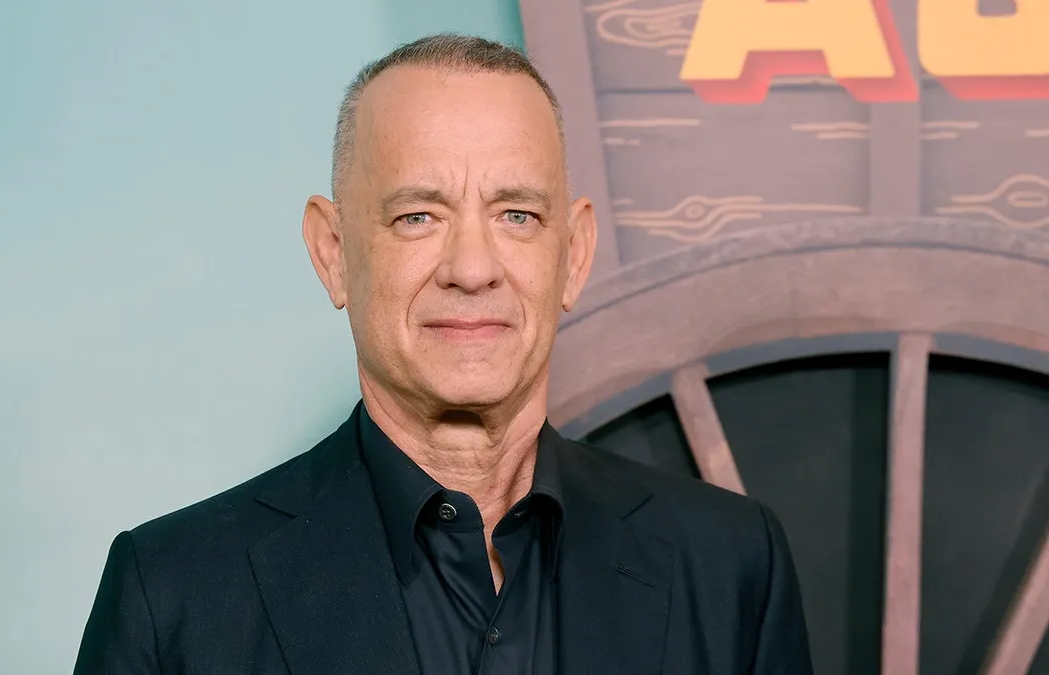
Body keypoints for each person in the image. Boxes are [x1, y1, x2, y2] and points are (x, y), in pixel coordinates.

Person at [73, 33, 813, 675]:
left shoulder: (731, 567)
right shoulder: (173, 595)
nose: (472, 268)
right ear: (333, 253)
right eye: (418, 215)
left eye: (516, 214)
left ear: (575, 254)